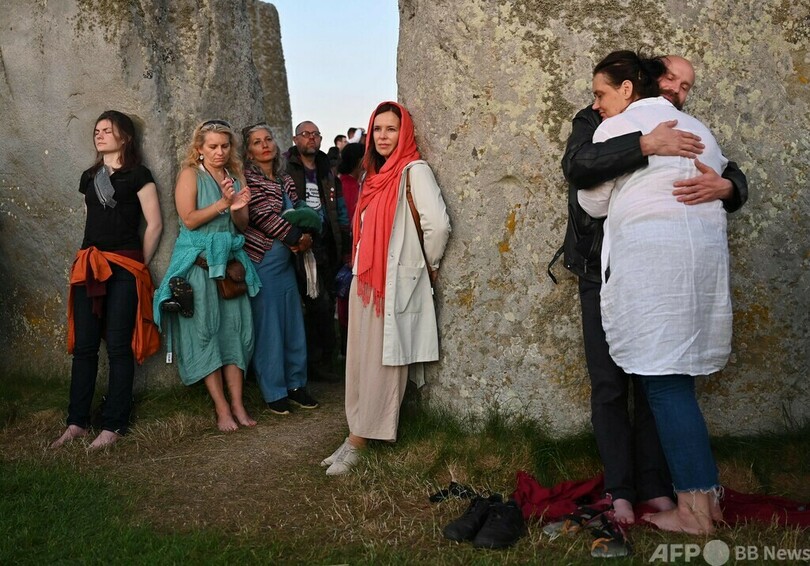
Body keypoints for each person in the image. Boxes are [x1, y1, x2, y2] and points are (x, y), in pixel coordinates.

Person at [558, 54, 748, 525]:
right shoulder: (599, 118)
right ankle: (627, 491)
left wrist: (726, 188)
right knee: (620, 383)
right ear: (644, 81)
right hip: (608, 267)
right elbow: (578, 167)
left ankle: (674, 498)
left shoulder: (676, 126)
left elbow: (728, 173)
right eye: (672, 80)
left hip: (647, 274)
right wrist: (645, 145)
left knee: (660, 385)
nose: (677, 91)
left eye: (686, 86)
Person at [321, 101, 451, 475]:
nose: (382, 136)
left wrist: (429, 265)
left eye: (391, 129)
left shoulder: (414, 171)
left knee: (383, 362)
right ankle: (354, 431)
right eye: (377, 129)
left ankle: (361, 440)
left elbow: (438, 226)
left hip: (392, 282)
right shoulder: (372, 176)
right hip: (366, 281)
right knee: (360, 361)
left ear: (404, 132)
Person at [52, 110, 163, 450]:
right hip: (90, 265)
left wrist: (138, 265)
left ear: (124, 137)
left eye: (107, 130)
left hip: (124, 268)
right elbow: (91, 221)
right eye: (96, 130)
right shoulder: (90, 177)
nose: (99, 135)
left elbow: (154, 224)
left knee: (118, 346)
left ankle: (114, 424)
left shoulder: (138, 175)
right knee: (84, 347)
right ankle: (76, 422)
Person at [153, 119, 260, 432]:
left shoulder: (235, 176)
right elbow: (188, 219)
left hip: (229, 267)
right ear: (199, 148)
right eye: (212, 146)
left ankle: (238, 404)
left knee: (235, 331)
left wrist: (237, 207)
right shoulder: (190, 174)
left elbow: (242, 225)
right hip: (199, 266)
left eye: (225, 146)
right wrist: (223, 203)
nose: (219, 152)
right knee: (204, 333)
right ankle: (221, 408)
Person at [241, 122, 319, 415]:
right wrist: (297, 237)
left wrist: (308, 234)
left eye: (269, 139)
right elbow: (261, 215)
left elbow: (300, 209)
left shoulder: (285, 178)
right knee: (269, 327)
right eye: (257, 142)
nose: (265, 145)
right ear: (248, 151)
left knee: (293, 324)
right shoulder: (248, 178)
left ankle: (296, 384)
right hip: (263, 261)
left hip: (287, 263)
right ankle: (274, 391)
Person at [285, 121, 350, 382]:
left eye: (315, 134)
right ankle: (310, 362)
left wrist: (345, 244)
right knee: (310, 304)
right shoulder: (286, 168)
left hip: (326, 245)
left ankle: (324, 361)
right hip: (296, 244)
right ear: (295, 139)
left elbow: (340, 210)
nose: (311, 138)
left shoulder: (327, 170)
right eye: (305, 134)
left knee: (325, 302)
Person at [335, 142, 365, 355]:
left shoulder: (350, 182)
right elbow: (349, 222)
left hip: (352, 249)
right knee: (347, 298)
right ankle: (347, 347)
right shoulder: (348, 185)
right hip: (351, 250)